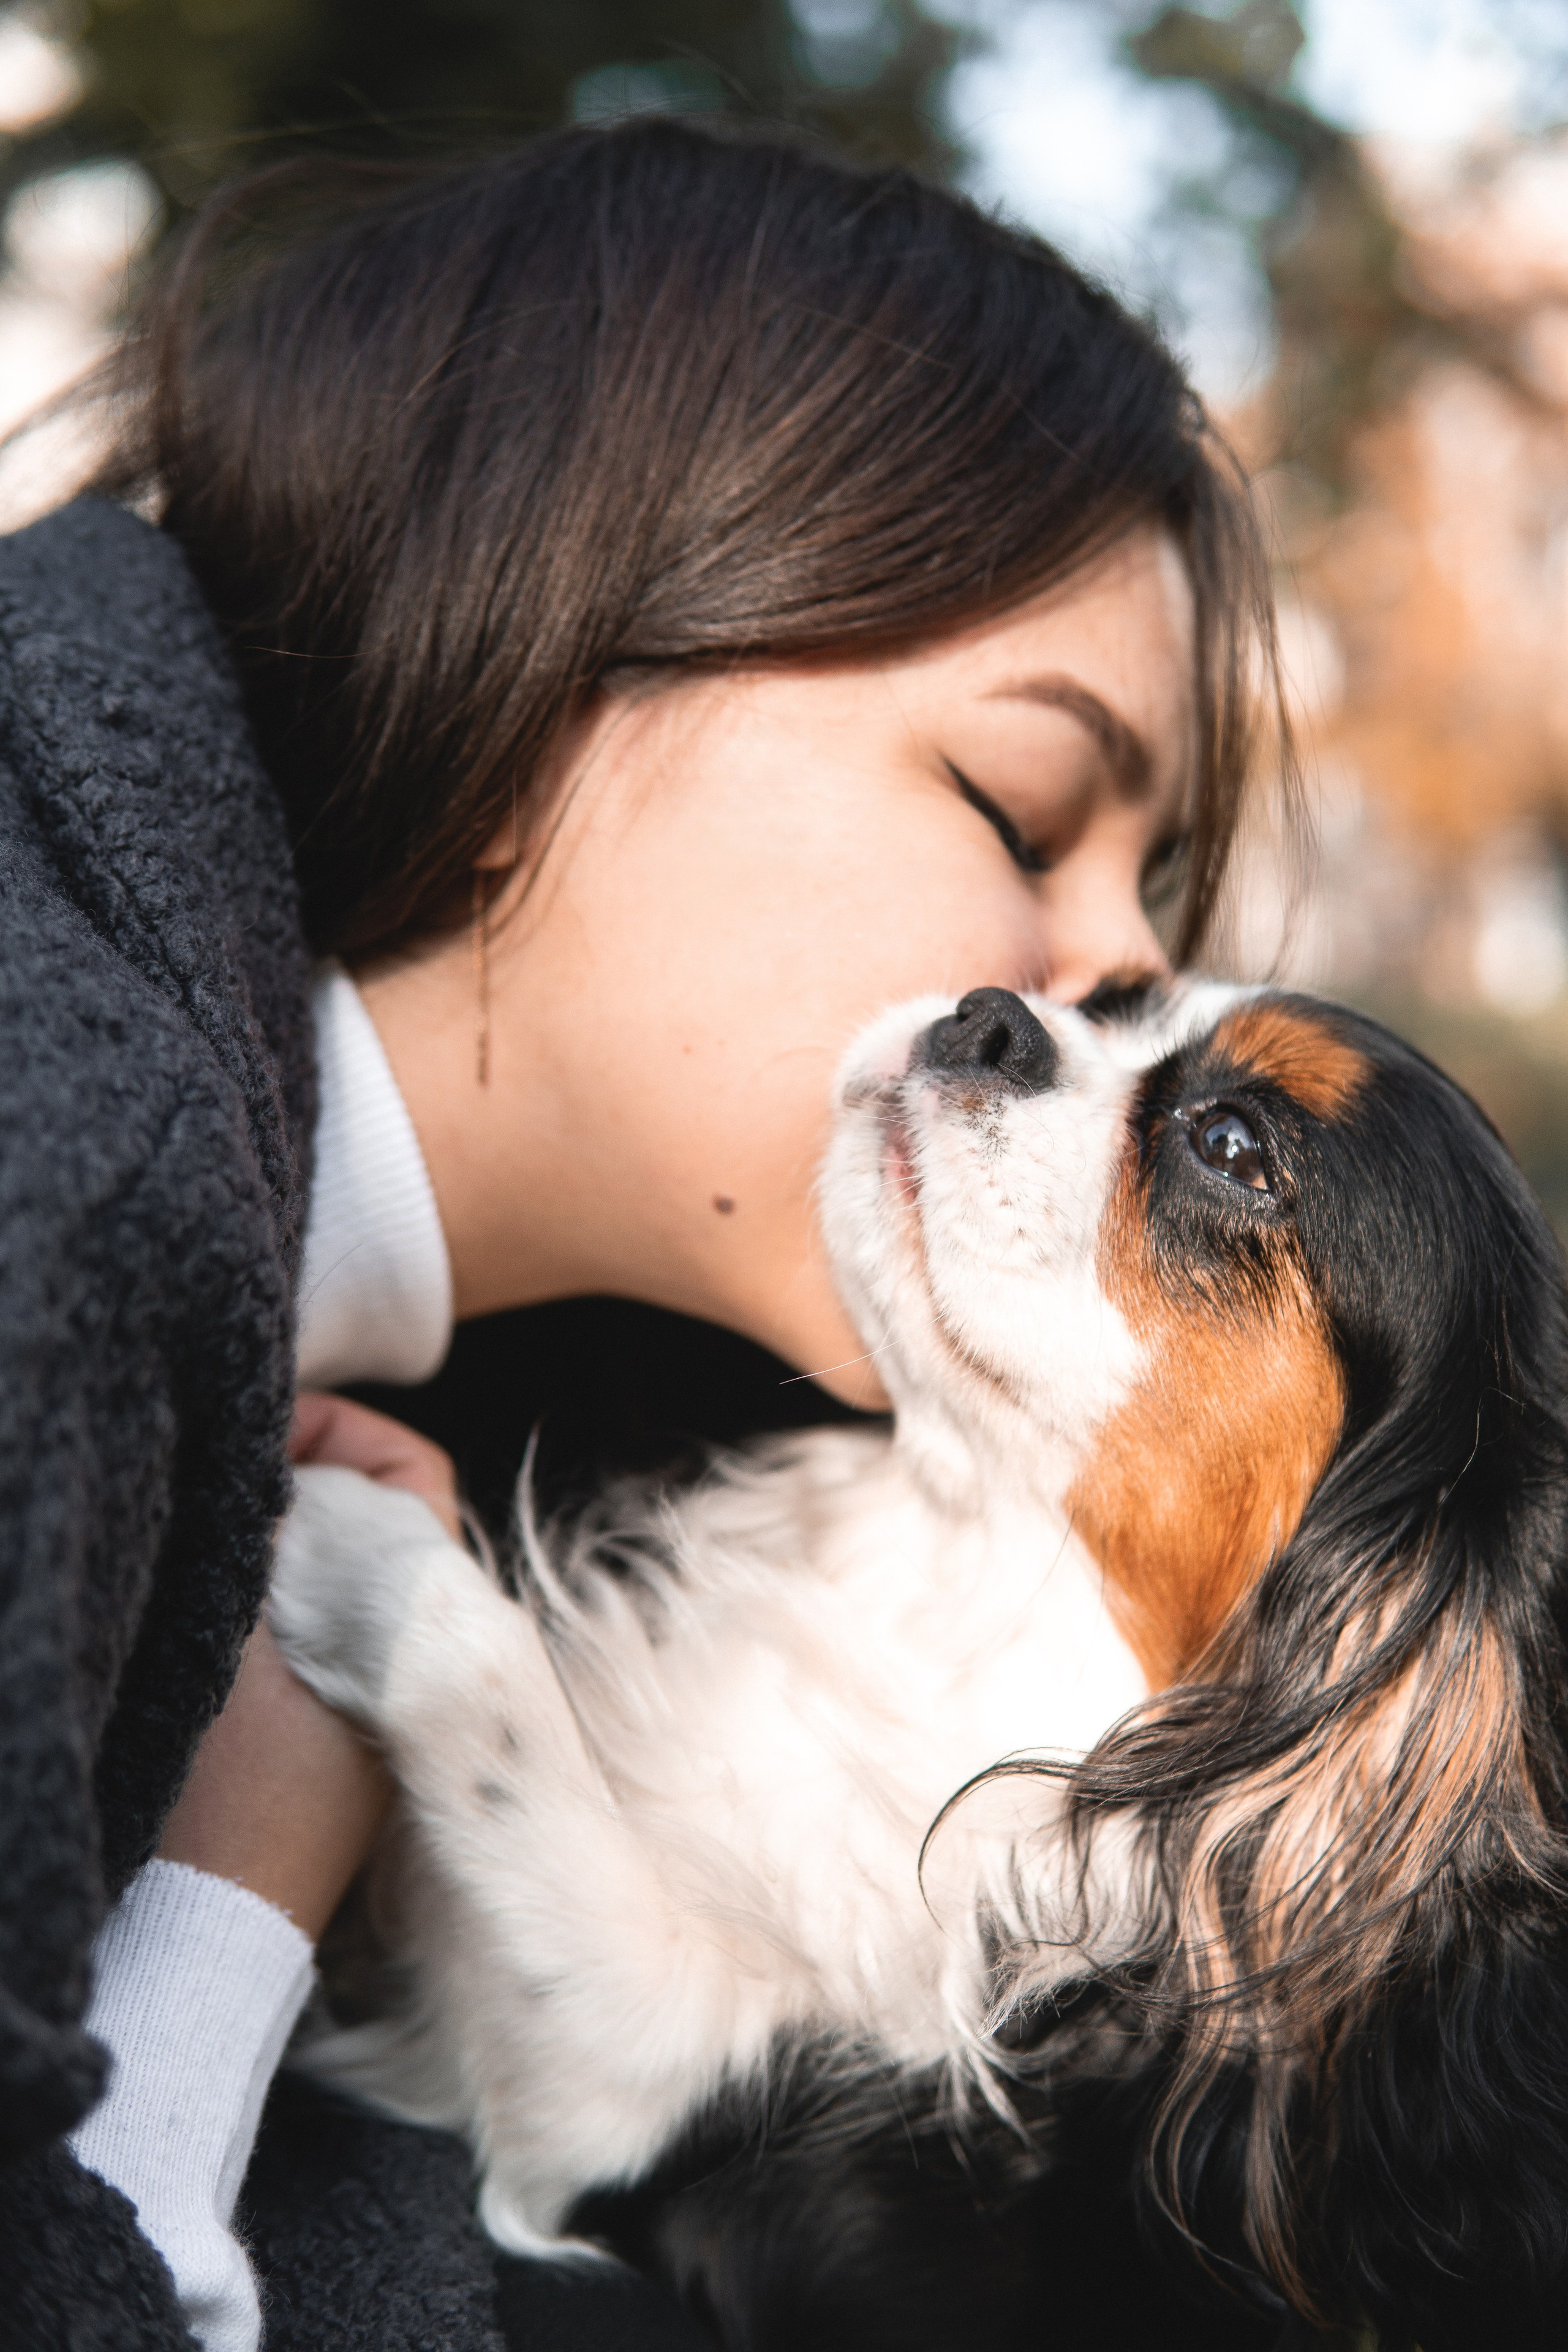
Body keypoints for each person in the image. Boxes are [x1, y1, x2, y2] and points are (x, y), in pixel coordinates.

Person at [0, 117, 1282, 2352]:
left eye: (1154, 907)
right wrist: (210, 1935)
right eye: (1023, 808)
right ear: (545, 643)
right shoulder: (66, 1192)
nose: (1116, 988)